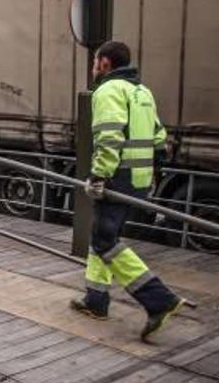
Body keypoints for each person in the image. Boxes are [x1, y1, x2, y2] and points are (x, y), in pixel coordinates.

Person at [71, 41, 186, 342]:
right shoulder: (142, 92)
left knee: (105, 240)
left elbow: (108, 137)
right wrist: (154, 171)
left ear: (106, 63)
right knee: (104, 236)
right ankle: (95, 301)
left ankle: (160, 301)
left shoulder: (108, 91)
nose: (94, 66)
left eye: (96, 61)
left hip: (116, 177)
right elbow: (159, 136)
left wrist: (99, 175)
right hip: (138, 178)